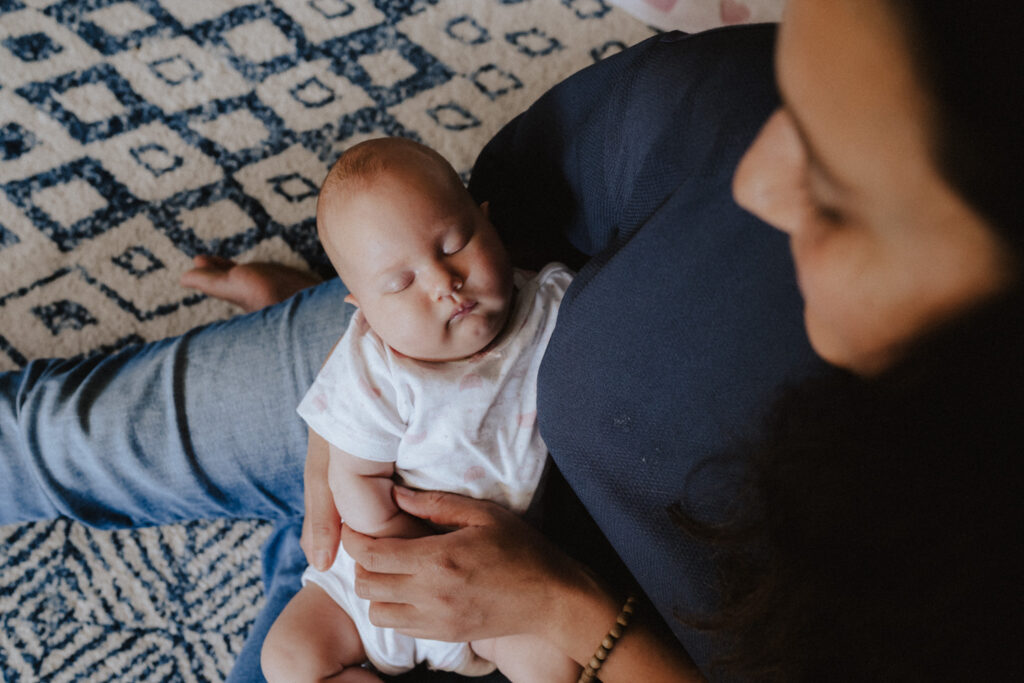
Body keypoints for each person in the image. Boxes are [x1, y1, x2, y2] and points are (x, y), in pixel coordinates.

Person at [2, 0, 1021, 680]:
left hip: (547, 630)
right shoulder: (740, 111)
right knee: (57, 437)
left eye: (837, 191)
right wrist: (345, 402)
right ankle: (304, 308)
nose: (753, 184)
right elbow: (497, 192)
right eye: (792, 102)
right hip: (402, 387)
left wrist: (572, 617)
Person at [252, 136, 577, 682]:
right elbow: (353, 478)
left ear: (489, 222)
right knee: (286, 660)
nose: (442, 282)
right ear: (365, 311)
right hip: (376, 578)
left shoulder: (553, 308)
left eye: (454, 243)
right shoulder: (379, 367)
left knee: (555, 666)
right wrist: (412, 553)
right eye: (400, 284)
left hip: (500, 586)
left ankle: (277, 296)